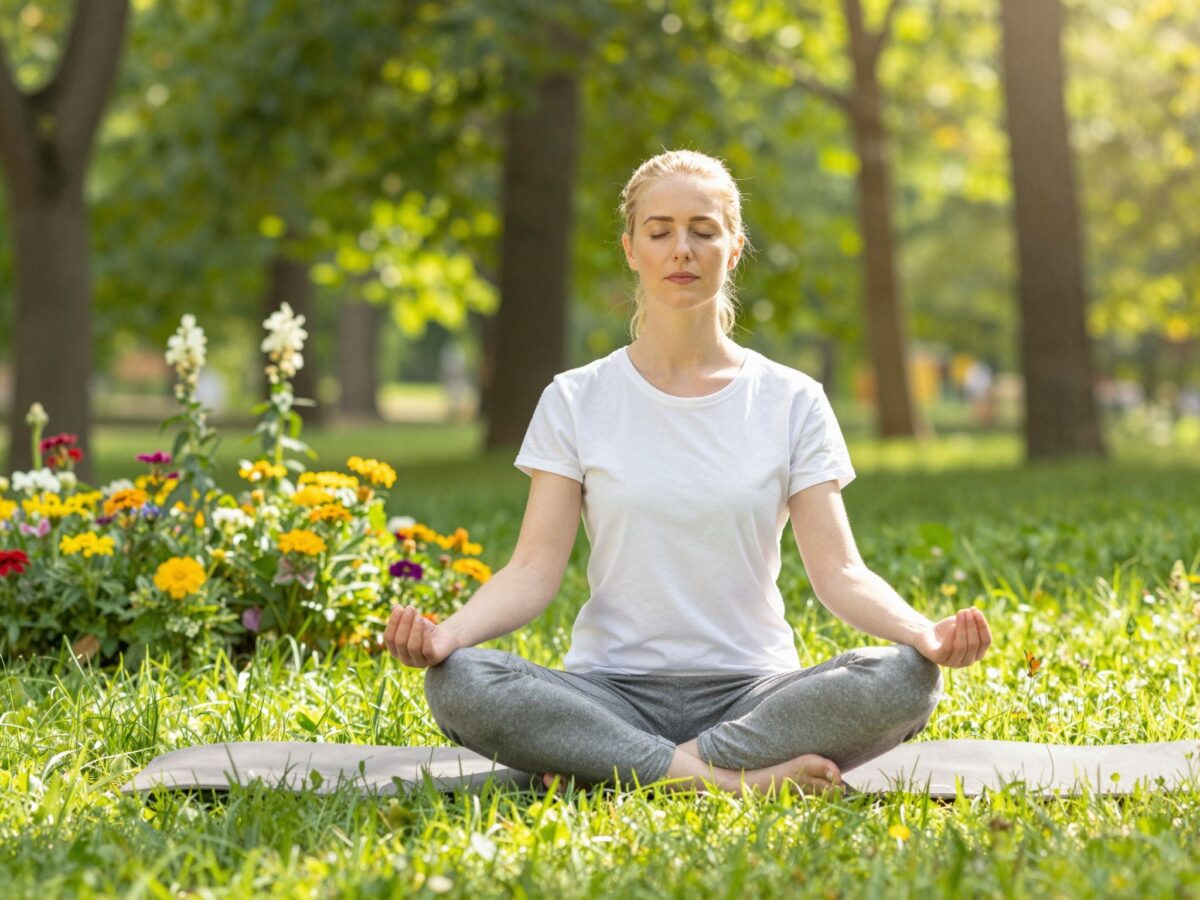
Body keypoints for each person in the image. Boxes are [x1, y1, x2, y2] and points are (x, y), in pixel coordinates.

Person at [383, 150, 992, 797]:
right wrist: (449, 635)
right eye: (660, 230)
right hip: (610, 692)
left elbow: (840, 573)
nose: (682, 249)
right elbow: (533, 570)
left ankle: (631, 767)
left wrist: (922, 633)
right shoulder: (575, 398)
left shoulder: (793, 399)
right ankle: (721, 781)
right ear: (631, 249)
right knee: (460, 683)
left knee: (906, 678)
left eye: (703, 230)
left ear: (733, 249)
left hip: (756, 697)